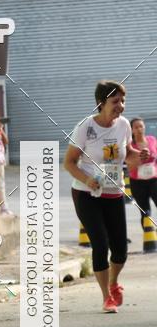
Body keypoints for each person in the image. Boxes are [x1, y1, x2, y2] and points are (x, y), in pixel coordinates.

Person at [64, 81, 147, 313]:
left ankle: (113, 282)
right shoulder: (85, 127)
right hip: (86, 192)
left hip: (113, 191)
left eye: (123, 100)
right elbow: (69, 163)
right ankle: (106, 296)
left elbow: (127, 153)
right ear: (101, 104)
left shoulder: (123, 126)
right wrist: (87, 179)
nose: (120, 106)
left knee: (120, 249)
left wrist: (140, 155)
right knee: (100, 243)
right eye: (115, 101)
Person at [129, 117, 157, 237]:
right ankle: (149, 237)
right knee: (145, 211)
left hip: (154, 180)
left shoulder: (152, 140)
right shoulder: (130, 146)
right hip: (137, 182)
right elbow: (129, 167)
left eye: (141, 126)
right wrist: (141, 159)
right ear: (132, 130)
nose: (139, 129)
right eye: (136, 127)